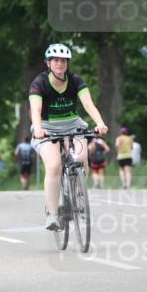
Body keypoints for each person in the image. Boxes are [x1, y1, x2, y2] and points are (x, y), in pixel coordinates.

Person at [29, 43, 108, 230]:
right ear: (48, 63)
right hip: (47, 127)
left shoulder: (76, 81)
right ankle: (53, 214)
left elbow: (88, 105)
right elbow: (35, 109)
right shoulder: (39, 83)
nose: (60, 63)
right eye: (55, 60)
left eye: (63, 60)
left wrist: (100, 123)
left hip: (73, 124)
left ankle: (78, 197)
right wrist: (39, 129)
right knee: (54, 165)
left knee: (81, 157)